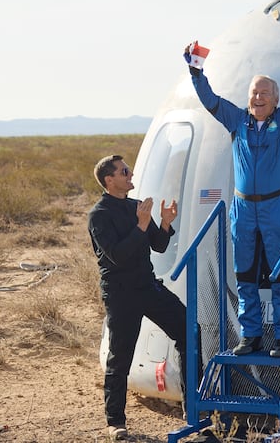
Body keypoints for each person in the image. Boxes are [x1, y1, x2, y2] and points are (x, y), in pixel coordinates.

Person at [184, 39, 280, 357]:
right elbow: (210, 101)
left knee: (279, 272)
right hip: (243, 207)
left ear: (275, 100)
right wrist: (196, 73)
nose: (258, 97)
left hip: (276, 207)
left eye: (264, 93)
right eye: (253, 93)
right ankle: (250, 335)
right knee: (245, 272)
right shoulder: (238, 121)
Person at [87, 154, 187, 441]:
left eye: (129, 170)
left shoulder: (135, 206)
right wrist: (141, 225)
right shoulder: (99, 215)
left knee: (188, 330)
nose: (130, 174)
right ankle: (115, 422)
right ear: (110, 180)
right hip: (121, 294)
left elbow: (158, 244)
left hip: (147, 287)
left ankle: (193, 406)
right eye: (124, 171)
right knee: (121, 356)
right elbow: (117, 256)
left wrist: (165, 222)